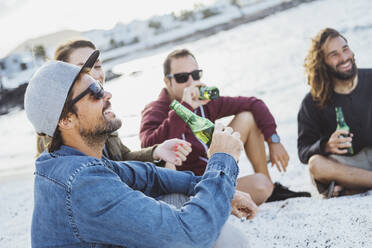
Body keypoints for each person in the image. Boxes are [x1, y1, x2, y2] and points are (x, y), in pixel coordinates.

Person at [24, 51, 258, 247]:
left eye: (98, 85)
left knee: (180, 198)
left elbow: (147, 175)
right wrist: (222, 159)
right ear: (66, 120)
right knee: (227, 240)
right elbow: (191, 235)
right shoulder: (82, 183)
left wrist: (222, 189)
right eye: (94, 93)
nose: (107, 93)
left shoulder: (67, 160)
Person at [140, 49, 311, 204]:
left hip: (215, 171)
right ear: (167, 81)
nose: (191, 82)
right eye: (182, 78)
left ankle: (271, 191)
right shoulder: (156, 109)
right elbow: (149, 147)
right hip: (191, 190)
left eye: (196, 74)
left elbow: (253, 103)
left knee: (247, 117)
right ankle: (222, 202)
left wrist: (273, 140)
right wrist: (185, 106)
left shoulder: (204, 102)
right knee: (261, 186)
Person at [36, 40, 185, 167]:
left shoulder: (103, 109)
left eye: (98, 66)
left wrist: (155, 152)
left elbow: (122, 156)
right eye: (83, 69)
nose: (95, 75)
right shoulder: (60, 128)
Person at [298, 27, 372, 197]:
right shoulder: (312, 102)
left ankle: (352, 188)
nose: (344, 57)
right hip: (349, 166)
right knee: (316, 164)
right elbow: (303, 151)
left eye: (345, 49)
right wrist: (326, 145)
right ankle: (358, 184)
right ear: (322, 62)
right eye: (334, 54)